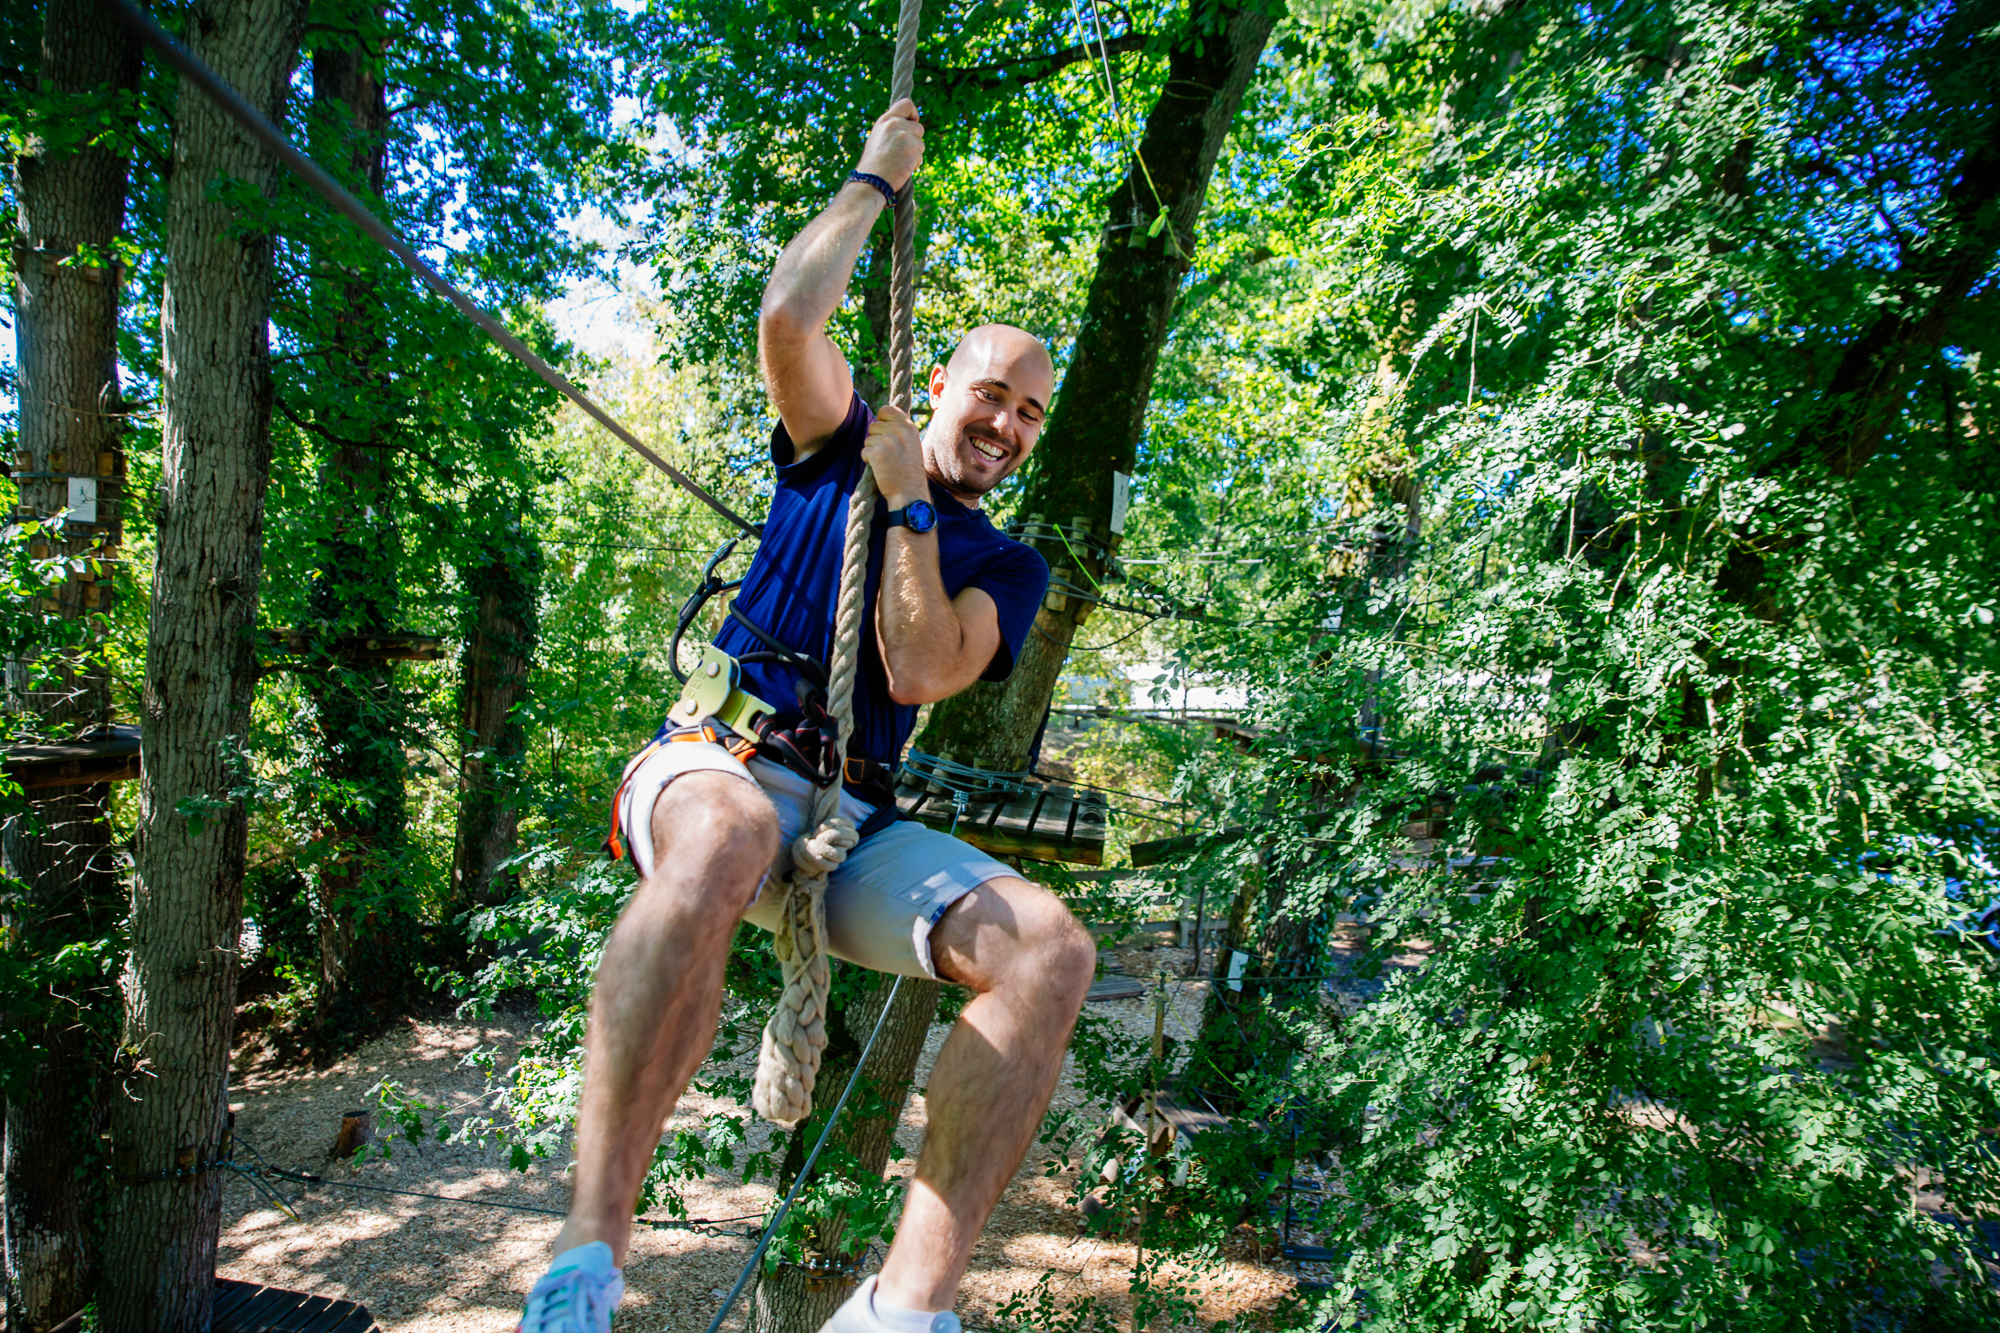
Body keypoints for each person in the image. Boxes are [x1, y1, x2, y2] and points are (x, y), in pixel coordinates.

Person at [516, 98, 1098, 1333]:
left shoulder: (1001, 564)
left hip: (846, 826)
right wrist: (875, 181)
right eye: (990, 394)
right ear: (941, 383)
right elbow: (788, 315)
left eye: (1028, 415)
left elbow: (918, 666)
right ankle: (586, 1252)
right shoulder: (834, 440)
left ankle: (901, 1310)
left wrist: (914, 508)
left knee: (1050, 951)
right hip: (717, 754)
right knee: (725, 839)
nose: (1004, 425)